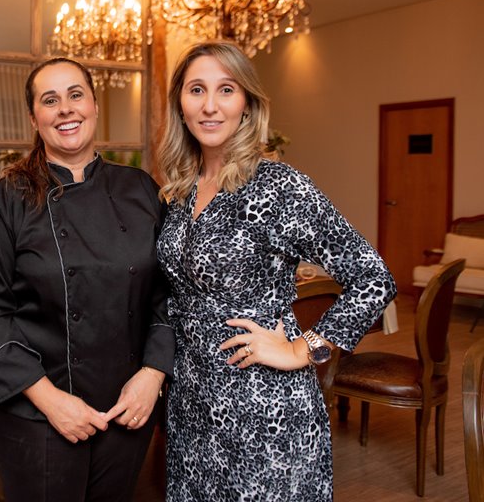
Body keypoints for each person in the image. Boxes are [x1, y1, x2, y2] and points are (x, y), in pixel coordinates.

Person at [156, 41, 397, 501]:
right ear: (179, 105)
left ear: (246, 104)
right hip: (191, 407)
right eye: (196, 90)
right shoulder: (181, 190)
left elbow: (373, 279)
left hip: (265, 411)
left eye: (226, 90)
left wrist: (302, 350)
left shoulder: (278, 185)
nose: (210, 105)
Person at [0, 57, 174, 502]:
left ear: (95, 105)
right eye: (50, 100)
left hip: (125, 407)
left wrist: (153, 375)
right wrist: (50, 400)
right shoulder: (9, 198)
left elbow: (168, 294)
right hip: (37, 412)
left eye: (75, 95)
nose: (65, 109)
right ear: (34, 118)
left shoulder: (140, 189)